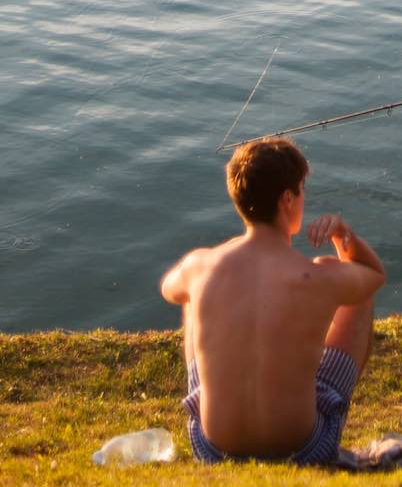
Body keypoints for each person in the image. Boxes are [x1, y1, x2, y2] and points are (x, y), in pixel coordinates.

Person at [160, 134, 385, 465]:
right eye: (302, 191)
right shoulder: (319, 277)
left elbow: (170, 288)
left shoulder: (201, 265)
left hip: (213, 450)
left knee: (193, 298)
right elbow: (372, 275)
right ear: (287, 200)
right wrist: (341, 233)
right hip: (305, 450)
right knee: (358, 294)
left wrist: (218, 262)